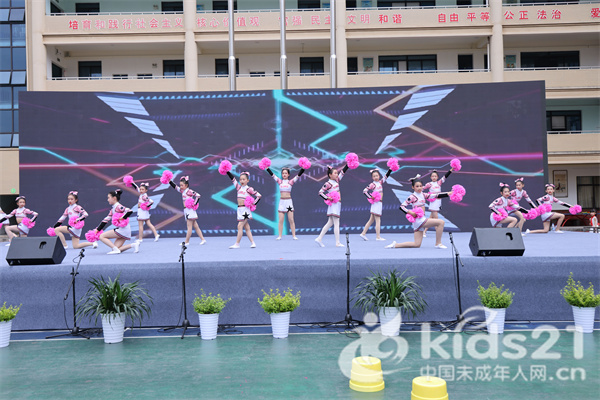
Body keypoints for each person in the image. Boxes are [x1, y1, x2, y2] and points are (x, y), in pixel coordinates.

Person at [385, 175, 449, 249]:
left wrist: (448, 193)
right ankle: (438, 243)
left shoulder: (423, 195)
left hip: (419, 221)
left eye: (421, 186)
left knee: (416, 244)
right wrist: (411, 212)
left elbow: (435, 195)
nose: (419, 188)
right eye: (417, 186)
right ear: (413, 187)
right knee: (441, 222)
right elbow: (402, 207)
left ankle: (395, 245)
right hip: (419, 220)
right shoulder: (412, 196)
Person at [264, 166, 305, 240]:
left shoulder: (291, 182)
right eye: (283, 173)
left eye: (286, 173)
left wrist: (303, 168)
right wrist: (267, 168)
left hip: (289, 202)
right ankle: (280, 236)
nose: (284, 174)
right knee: (280, 221)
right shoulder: (280, 181)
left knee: (291, 220)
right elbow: (272, 175)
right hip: (282, 202)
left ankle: (294, 236)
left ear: (288, 174)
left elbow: (298, 175)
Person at [94, 189, 139, 254]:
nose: (108, 200)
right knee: (116, 248)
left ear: (114, 198)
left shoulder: (118, 206)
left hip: (123, 230)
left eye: (109, 198)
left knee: (102, 236)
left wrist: (123, 217)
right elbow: (105, 220)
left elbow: (130, 211)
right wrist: (98, 229)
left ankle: (116, 250)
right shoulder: (113, 209)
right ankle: (134, 245)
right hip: (125, 230)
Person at [225, 170, 261, 249]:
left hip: (245, 210)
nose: (242, 181)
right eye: (240, 179)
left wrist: (253, 204)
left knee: (240, 226)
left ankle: (237, 244)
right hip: (239, 209)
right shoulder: (238, 187)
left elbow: (259, 196)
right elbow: (233, 179)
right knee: (246, 227)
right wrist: (227, 171)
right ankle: (253, 243)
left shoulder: (249, 189)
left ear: (248, 180)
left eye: (244, 179)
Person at [315, 164, 349, 247]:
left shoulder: (337, 180)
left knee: (330, 223)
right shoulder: (328, 183)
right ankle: (337, 242)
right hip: (334, 205)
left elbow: (343, 172)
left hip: (337, 204)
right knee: (336, 223)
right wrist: (327, 198)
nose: (337, 174)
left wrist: (348, 164)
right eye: (335, 173)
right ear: (330, 175)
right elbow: (320, 192)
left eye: (337, 173)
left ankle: (319, 238)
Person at [168, 176, 206, 246]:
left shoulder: (189, 191)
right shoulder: (183, 191)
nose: (180, 186)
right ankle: (203, 239)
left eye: (182, 185)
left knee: (189, 227)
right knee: (195, 226)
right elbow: (176, 187)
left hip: (189, 210)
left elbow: (198, 195)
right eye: (180, 185)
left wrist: (194, 203)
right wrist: (170, 181)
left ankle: (186, 242)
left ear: (186, 185)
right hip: (186, 210)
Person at [360, 168, 393, 241]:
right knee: (378, 220)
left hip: (379, 203)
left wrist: (390, 169)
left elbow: (386, 176)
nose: (376, 177)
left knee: (371, 220)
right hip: (376, 204)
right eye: (374, 176)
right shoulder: (373, 184)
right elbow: (364, 191)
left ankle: (363, 233)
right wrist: (370, 197)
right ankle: (378, 237)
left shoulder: (380, 182)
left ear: (379, 176)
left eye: (377, 175)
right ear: (372, 177)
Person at [422, 167, 453, 238]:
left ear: (437, 177)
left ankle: (424, 231)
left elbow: (445, 176)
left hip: (438, 201)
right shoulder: (429, 184)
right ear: (430, 177)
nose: (434, 177)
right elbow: (422, 188)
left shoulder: (439, 183)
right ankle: (438, 231)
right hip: (433, 202)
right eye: (432, 176)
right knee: (436, 218)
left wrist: (451, 170)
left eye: (435, 176)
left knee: (431, 218)